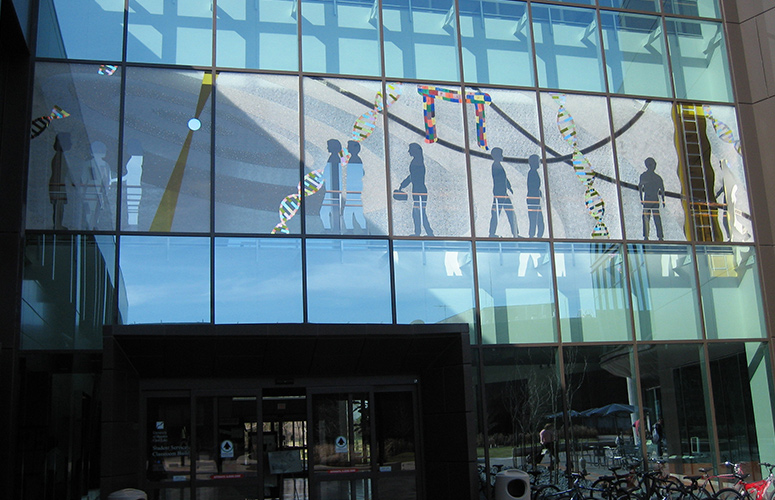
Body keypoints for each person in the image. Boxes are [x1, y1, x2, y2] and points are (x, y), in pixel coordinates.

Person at [398, 143, 434, 236]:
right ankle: (425, 233)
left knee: (419, 213)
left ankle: (425, 233)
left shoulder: (417, 162)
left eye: (410, 149)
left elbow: (412, 177)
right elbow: (412, 176)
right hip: (418, 191)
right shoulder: (417, 161)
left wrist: (403, 184)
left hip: (420, 192)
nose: (409, 151)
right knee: (419, 213)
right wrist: (403, 184)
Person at [488, 147, 518, 237]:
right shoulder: (496, 166)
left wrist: (509, 187)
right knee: (497, 214)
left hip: (502, 194)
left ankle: (515, 233)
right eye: (501, 154)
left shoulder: (498, 166)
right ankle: (492, 233)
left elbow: (504, 178)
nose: (502, 156)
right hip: (500, 194)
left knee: (509, 213)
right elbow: (500, 179)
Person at [639, 157, 665, 240]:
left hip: (652, 199)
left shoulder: (656, 177)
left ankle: (659, 236)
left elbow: (662, 190)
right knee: (648, 218)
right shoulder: (645, 176)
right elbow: (640, 188)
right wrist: (641, 199)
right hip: (648, 198)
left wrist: (663, 201)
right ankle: (647, 236)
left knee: (654, 218)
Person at [343, 140, 366, 232]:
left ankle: (352, 230)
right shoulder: (355, 159)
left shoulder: (355, 160)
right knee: (355, 212)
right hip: (354, 190)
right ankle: (363, 230)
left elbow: (358, 174)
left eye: (349, 146)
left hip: (353, 190)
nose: (347, 148)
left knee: (349, 212)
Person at [320, 139, 343, 232]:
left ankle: (328, 230)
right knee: (327, 212)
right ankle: (329, 229)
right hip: (332, 191)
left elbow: (330, 173)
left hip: (332, 191)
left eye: (329, 145)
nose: (327, 147)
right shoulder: (334, 158)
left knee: (324, 212)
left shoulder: (334, 159)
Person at [527, 154, 545, 238]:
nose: (539, 163)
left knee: (536, 219)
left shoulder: (533, 173)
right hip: (533, 200)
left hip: (534, 199)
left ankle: (536, 235)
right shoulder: (532, 173)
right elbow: (533, 188)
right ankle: (534, 236)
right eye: (538, 161)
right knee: (536, 219)